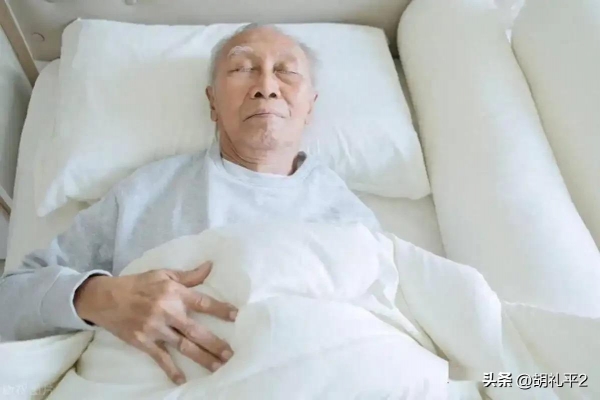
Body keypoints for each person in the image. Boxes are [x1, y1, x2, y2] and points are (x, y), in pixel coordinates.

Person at [0, 23, 380, 385]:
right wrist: (98, 296)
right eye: (242, 68)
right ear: (212, 102)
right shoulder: (145, 194)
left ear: (310, 106)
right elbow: (10, 300)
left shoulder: (350, 220)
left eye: (286, 71)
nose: (266, 86)